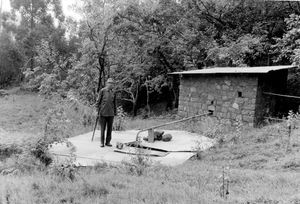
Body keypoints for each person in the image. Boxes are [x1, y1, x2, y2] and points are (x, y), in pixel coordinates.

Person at [96, 78, 117, 147]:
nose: (112, 85)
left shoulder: (113, 92)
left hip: (111, 113)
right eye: (110, 83)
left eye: (112, 83)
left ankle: (108, 142)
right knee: (103, 128)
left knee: (109, 128)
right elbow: (98, 101)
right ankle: (102, 142)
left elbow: (115, 103)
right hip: (103, 112)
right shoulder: (102, 91)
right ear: (107, 83)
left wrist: (115, 112)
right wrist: (97, 110)